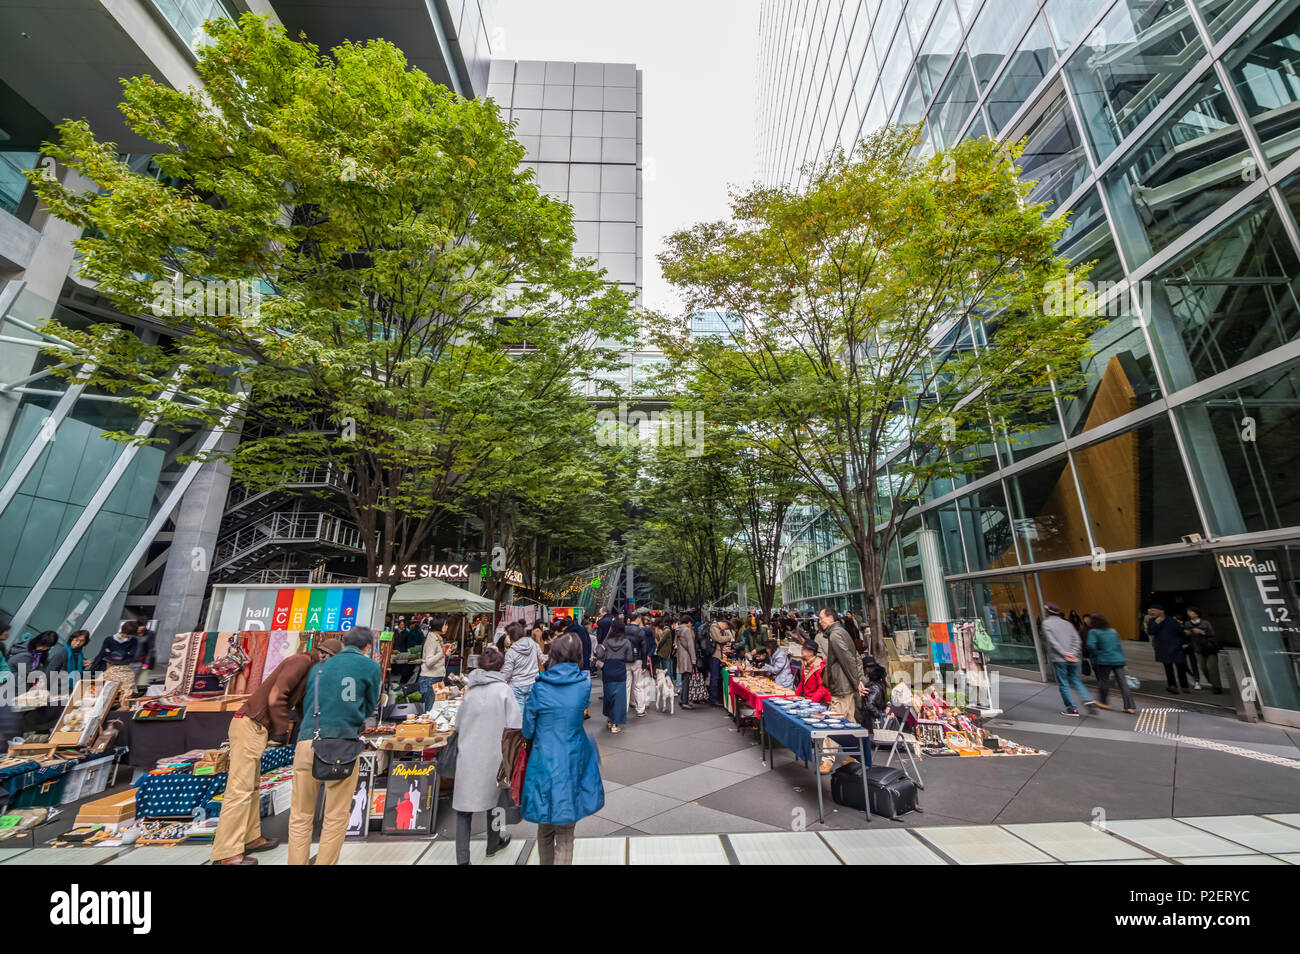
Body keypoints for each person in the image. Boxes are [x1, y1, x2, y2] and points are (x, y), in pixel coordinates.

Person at [213, 637, 341, 865]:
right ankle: (227, 853)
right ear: (326, 656)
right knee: (239, 790)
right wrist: (282, 730)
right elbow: (276, 696)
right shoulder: (301, 661)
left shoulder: (310, 671)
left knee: (251, 787)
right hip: (251, 724)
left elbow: (303, 706)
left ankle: (251, 838)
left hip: (258, 727)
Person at [288, 627, 380, 866]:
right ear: (367, 646)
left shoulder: (318, 669)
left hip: (308, 740)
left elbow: (306, 703)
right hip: (342, 744)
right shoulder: (370, 667)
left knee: (300, 815)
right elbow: (370, 707)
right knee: (336, 816)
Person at [521, 633, 604, 864]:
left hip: (542, 761)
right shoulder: (583, 685)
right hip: (572, 760)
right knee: (566, 831)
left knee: (545, 826)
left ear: (553, 655)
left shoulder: (540, 687)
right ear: (578, 655)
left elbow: (527, 729)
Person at [452, 644, 522, 864]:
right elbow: (515, 725)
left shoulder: (470, 692)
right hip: (495, 756)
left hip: (468, 756)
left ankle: (462, 858)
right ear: (500, 667)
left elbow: (457, 725)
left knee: (464, 810)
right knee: (495, 802)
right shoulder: (504, 691)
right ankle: (494, 842)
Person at [818, 608, 865, 772]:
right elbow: (855, 657)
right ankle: (856, 756)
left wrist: (856, 681)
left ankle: (827, 760)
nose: (819, 621)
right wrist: (857, 681)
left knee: (834, 723)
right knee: (850, 722)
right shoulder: (841, 631)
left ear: (830, 617)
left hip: (842, 686)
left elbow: (848, 660)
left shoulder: (835, 634)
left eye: (821, 617)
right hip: (847, 686)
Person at [1042, 601, 1093, 715]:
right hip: (1073, 659)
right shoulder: (1068, 623)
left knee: (1063, 684)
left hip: (1059, 659)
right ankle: (1087, 699)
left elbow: (1052, 642)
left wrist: (1064, 654)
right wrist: (1072, 653)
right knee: (1075, 680)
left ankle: (1072, 709)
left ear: (1047, 612)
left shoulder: (1046, 624)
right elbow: (1077, 640)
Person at [1084, 614, 1136, 713]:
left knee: (1104, 681)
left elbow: (1090, 646)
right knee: (1123, 683)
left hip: (1104, 660)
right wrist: (1124, 661)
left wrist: (1097, 654)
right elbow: (1118, 646)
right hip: (1118, 660)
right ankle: (1129, 706)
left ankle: (1104, 702)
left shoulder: (1094, 631)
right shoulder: (1113, 631)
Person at [593, 619, 634, 733]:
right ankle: (615, 724)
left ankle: (610, 719)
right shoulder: (626, 642)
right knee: (619, 698)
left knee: (608, 695)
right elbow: (630, 658)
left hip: (608, 669)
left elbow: (601, 654)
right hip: (620, 669)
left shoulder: (607, 642)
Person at [91, 622, 139, 706]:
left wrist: (112, 653)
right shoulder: (109, 639)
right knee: (105, 687)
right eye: (126, 634)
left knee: (114, 687)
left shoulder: (134, 640)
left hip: (123, 666)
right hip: (108, 666)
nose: (127, 637)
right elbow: (103, 653)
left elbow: (132, 654)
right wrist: (124, 653)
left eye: (129, 635)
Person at [1146, 604, 1189, 694]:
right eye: (1152, 610)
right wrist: (1157, 623)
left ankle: (1184, 686)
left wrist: (1183, 643)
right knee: (1168, 668)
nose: (1152, 612)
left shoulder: (1172, 620)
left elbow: (1181, 632)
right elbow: (1150, 632)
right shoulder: (1152, 621)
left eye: (1154, 610)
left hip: (1176, 648)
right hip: (1163, 648)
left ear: (1161, 611)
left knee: (1180, 667)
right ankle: (1172, 686)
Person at [502, 620, 544, 710]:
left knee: (519, 714)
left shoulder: (511, 652)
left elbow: (507, 675)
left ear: (511, 635)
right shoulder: (533, 643)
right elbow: (542, 659)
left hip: (517, 686)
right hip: (533, 682)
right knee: (531, 712)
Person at [1182, 607, 1222, 694]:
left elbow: (1212, 634)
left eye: (1191, 611)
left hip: (1209, 648)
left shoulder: (1205, 623)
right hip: (1198, 649)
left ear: (1196, 614)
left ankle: (1217, 687)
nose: (1189, 613)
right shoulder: (1187, 624)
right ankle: (1213, 682)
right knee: (1204, 669)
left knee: (1212, 668)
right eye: (1188, 612)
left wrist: (1202, 632)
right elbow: (1186, 635)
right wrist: (1187, 637)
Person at [418, 617, 446, 706]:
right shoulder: (431, 640)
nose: (447, 627)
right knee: (429, 710)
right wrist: (442, 653)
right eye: (445, 625)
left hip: (435, 678)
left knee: (435, 707)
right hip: (429, 679)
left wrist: (445, 653)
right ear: (438, 626)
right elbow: (429, 661)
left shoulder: (437, 638)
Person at [705, 617, 731, 707]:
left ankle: (714, 696)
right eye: (725, 627)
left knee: (715, 676)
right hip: (714, 655)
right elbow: (719, 639)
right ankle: (713, 698)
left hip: (716, 654)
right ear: (723, 624)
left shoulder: (715, 627)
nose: (724, 629)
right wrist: (728, 637)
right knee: (714, 677)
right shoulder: (714, 627)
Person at [674, 614, 697, 707]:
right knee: (686, 679)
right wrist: (694, 658)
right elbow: (690, 645)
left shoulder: (678, 629)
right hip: (687, 656)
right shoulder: (687, 630)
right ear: (688, 622)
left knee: (684, 678)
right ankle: (684, 701)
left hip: (680, 655)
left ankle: (683, 699)